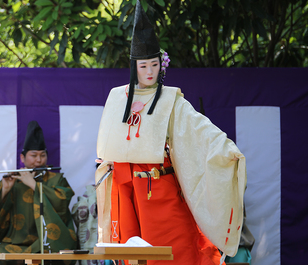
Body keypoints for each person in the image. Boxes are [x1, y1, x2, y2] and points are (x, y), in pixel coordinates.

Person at [95, 4, 246, 265]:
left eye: (154, 65)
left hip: (160, 189)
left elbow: (199, 128)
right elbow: (109, 143)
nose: (150, 72)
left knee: (177, 250)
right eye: (143, 66)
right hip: (126, 188)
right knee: (132, 253)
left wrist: (223, 147)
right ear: (134, 67)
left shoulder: (170, 100)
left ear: (160, 66)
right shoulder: (117, 98)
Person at [0, 121, 77, 265]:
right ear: (22, 158)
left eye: (43, 155)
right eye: (34, 155)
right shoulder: (15, 179)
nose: (38, 160)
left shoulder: (57, 179)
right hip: (15, 243)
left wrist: (34, 185)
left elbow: (62, 201)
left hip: (46, 243)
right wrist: (4, 190)